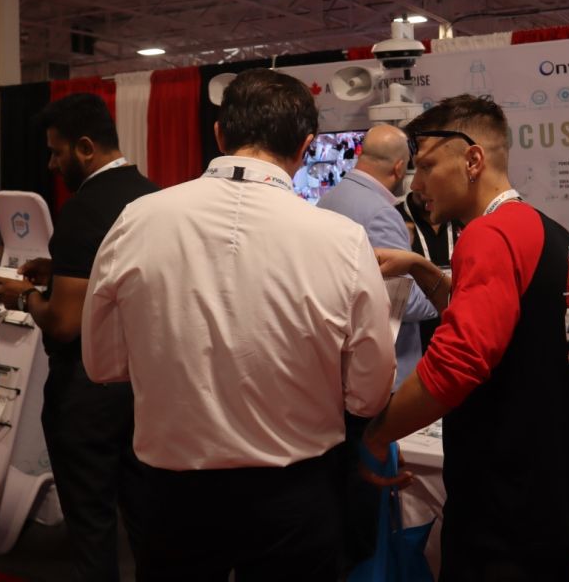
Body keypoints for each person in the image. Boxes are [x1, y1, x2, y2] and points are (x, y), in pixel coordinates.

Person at [82, 68, 396, 582]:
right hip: (295, 493)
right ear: (307, 147)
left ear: (219, 135)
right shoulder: (341, 239)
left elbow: (104, 364)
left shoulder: (136, 220)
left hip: (172, 492)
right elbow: (368, 392)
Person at [362, 94, 569, 582]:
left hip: (503, 505)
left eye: (427, 166)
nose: (416, 185)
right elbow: (506, 329)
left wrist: (376, 436)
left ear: (472, 160)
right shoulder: (553, 234)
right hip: (551, 492)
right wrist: (422, 268)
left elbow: (457, 365)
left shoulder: (490, 235)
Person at [0, 93, 158, 582]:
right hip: (146, 387)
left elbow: (64, 321)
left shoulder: (82, 210)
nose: (51, 164)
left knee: (91, 528)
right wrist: (58, 269)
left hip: (86, 394)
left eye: (56, 151)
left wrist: (23, 296)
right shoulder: (152, 196)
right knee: (146, 521)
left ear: (85, 147)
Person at [318, 123, 438, 387]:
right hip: (386, 372)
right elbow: (402, 301)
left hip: (340, 364)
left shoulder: (327, 201)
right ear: (399, 168)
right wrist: (444, 294)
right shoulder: (382, 213)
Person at [395, 189, 462, 352]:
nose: (426, 189)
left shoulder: (462, 215)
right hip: (412, 343)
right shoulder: (394, 218)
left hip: (459, 336)